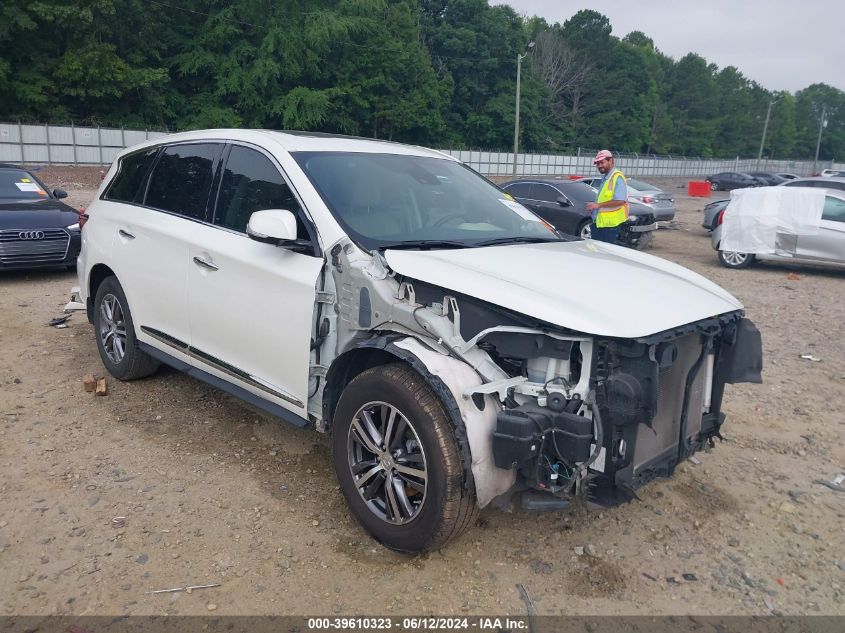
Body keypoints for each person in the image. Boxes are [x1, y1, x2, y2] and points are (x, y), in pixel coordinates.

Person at [585, 149, 628, 244]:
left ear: (610, 161)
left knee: (605, 255)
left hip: (611, 227)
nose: (599, 166)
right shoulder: (606, 178)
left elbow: (620, 201)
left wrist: (597, 205)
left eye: (602, 162)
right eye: (597, 163)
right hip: (602, 225)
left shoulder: (617, 177)